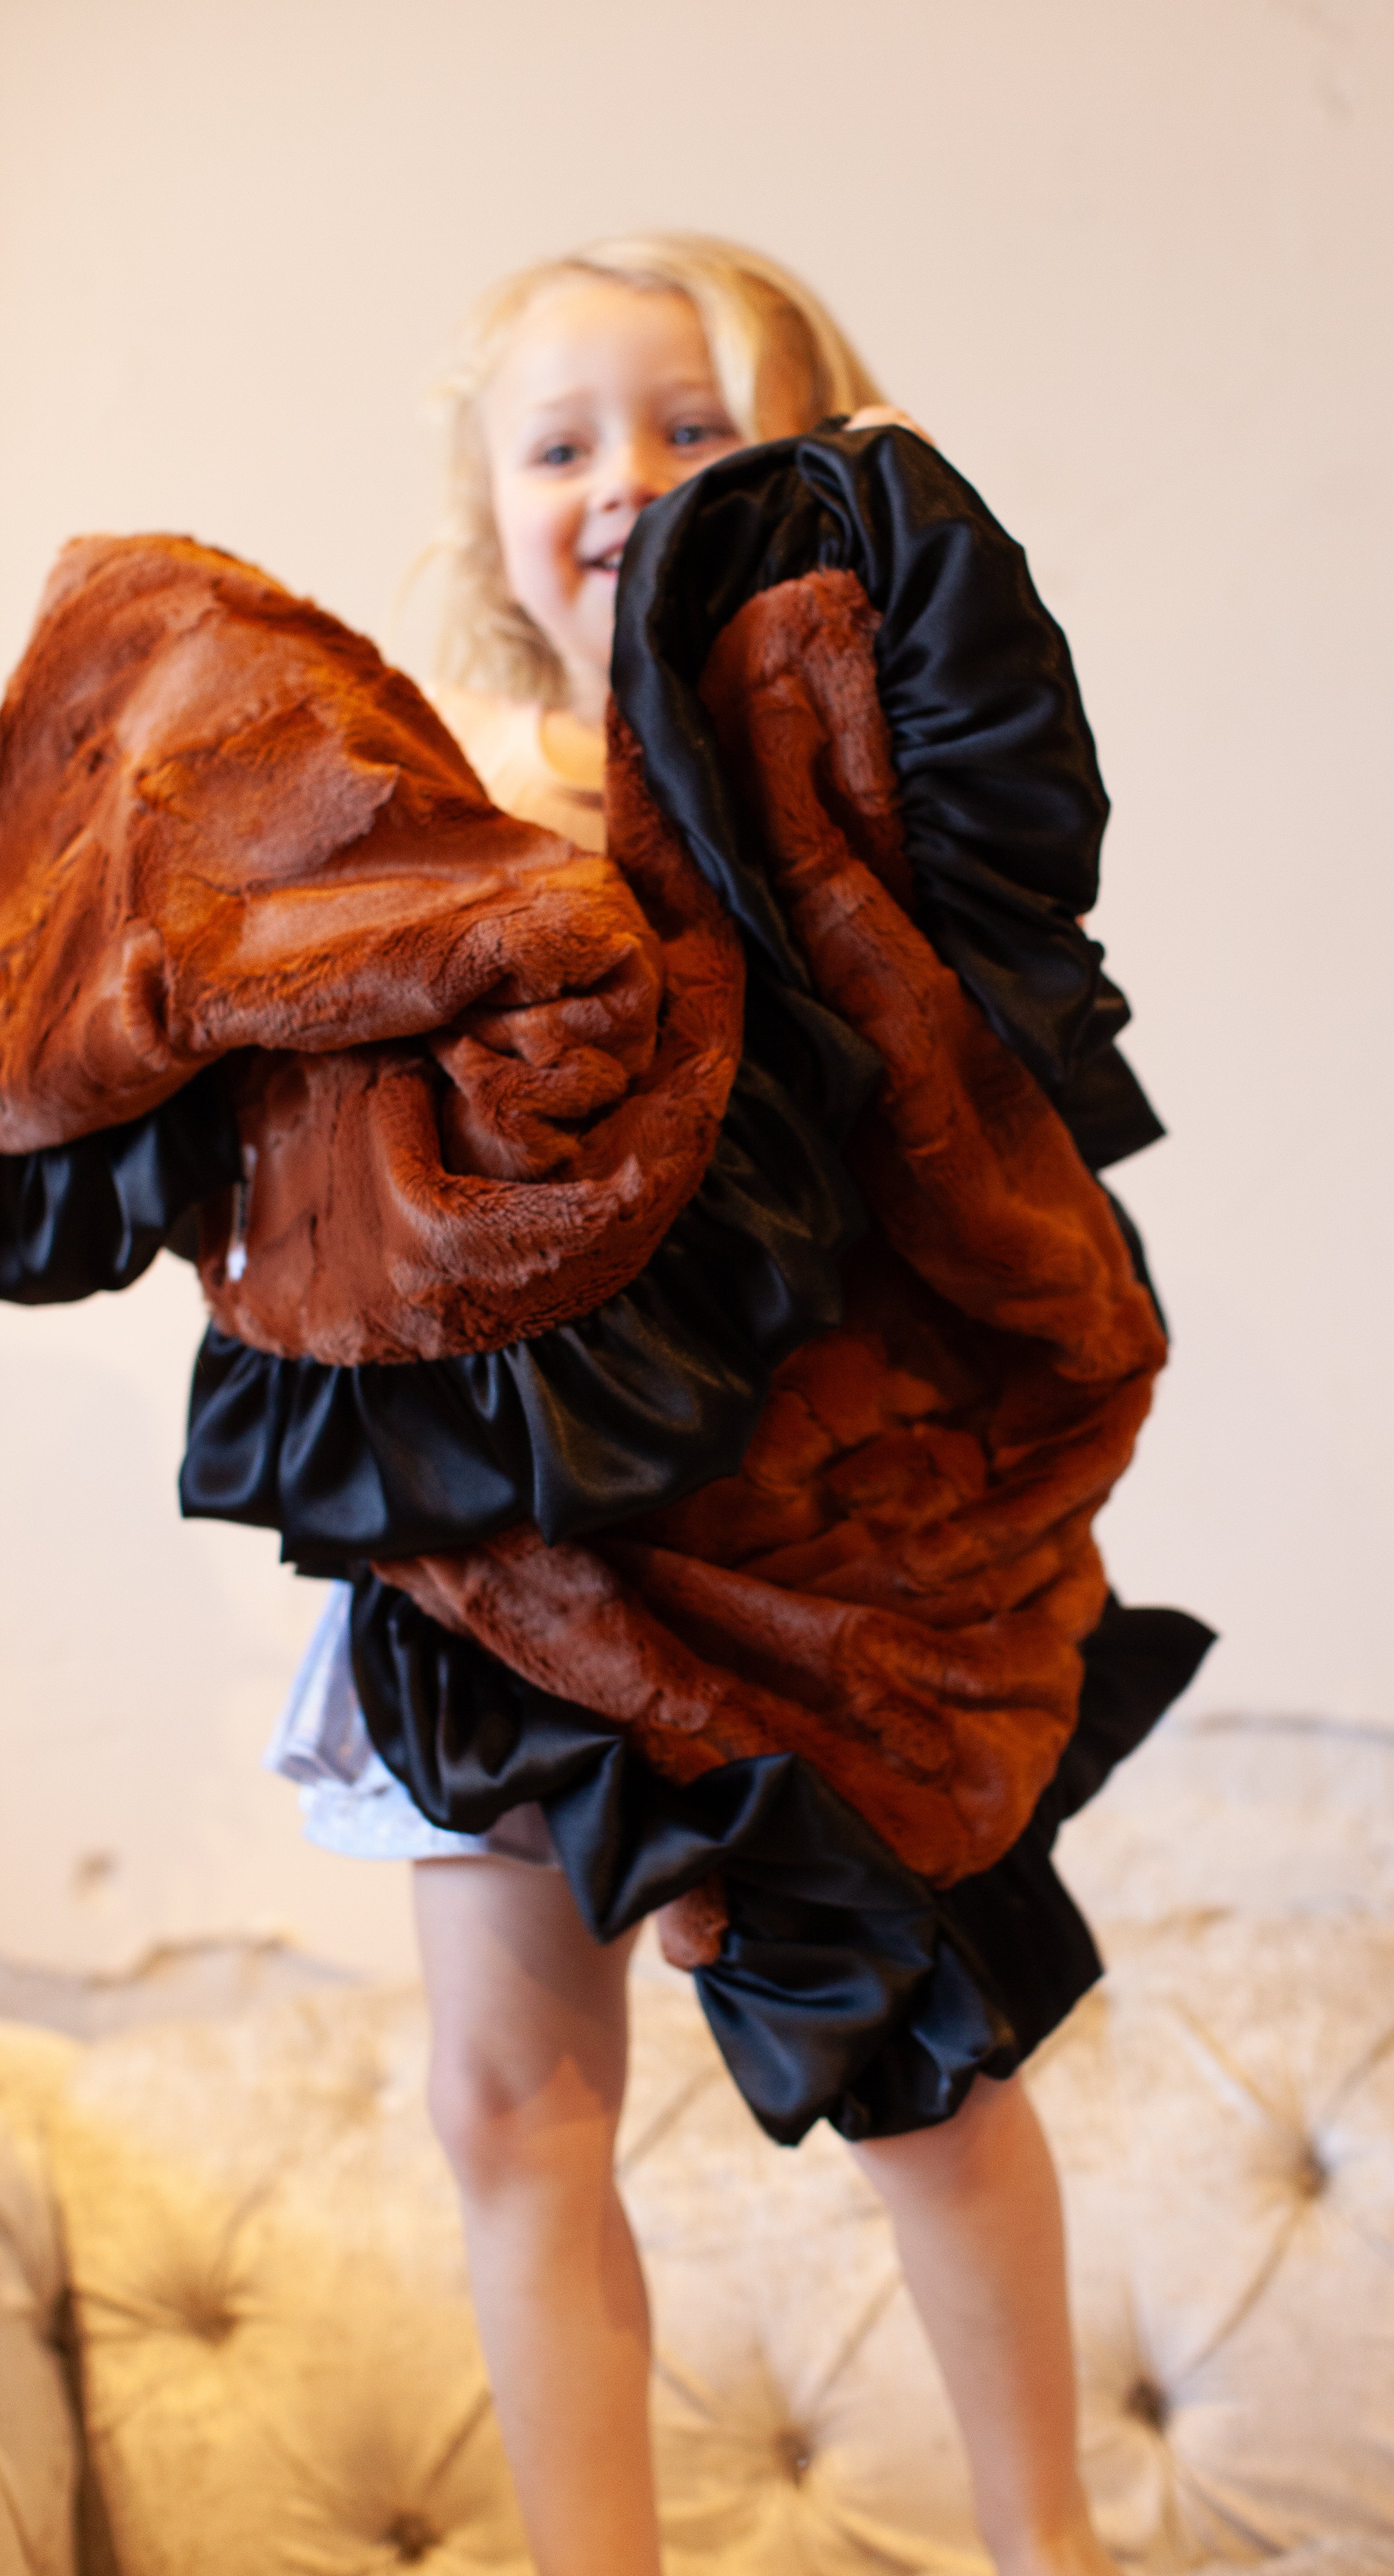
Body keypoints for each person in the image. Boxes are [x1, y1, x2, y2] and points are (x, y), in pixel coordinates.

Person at [0, 232, 1209, 2576]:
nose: (625, 475)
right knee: (508, 2101)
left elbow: (953, 1096)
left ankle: (1052, 2547)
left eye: (691, 426)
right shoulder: (417, 826)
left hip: (796, 1562)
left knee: (919, 2059)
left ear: (801, 476)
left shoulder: (835, 818)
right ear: (489, 512)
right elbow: (278, 1142)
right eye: (561, 441)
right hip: (488, 1561)